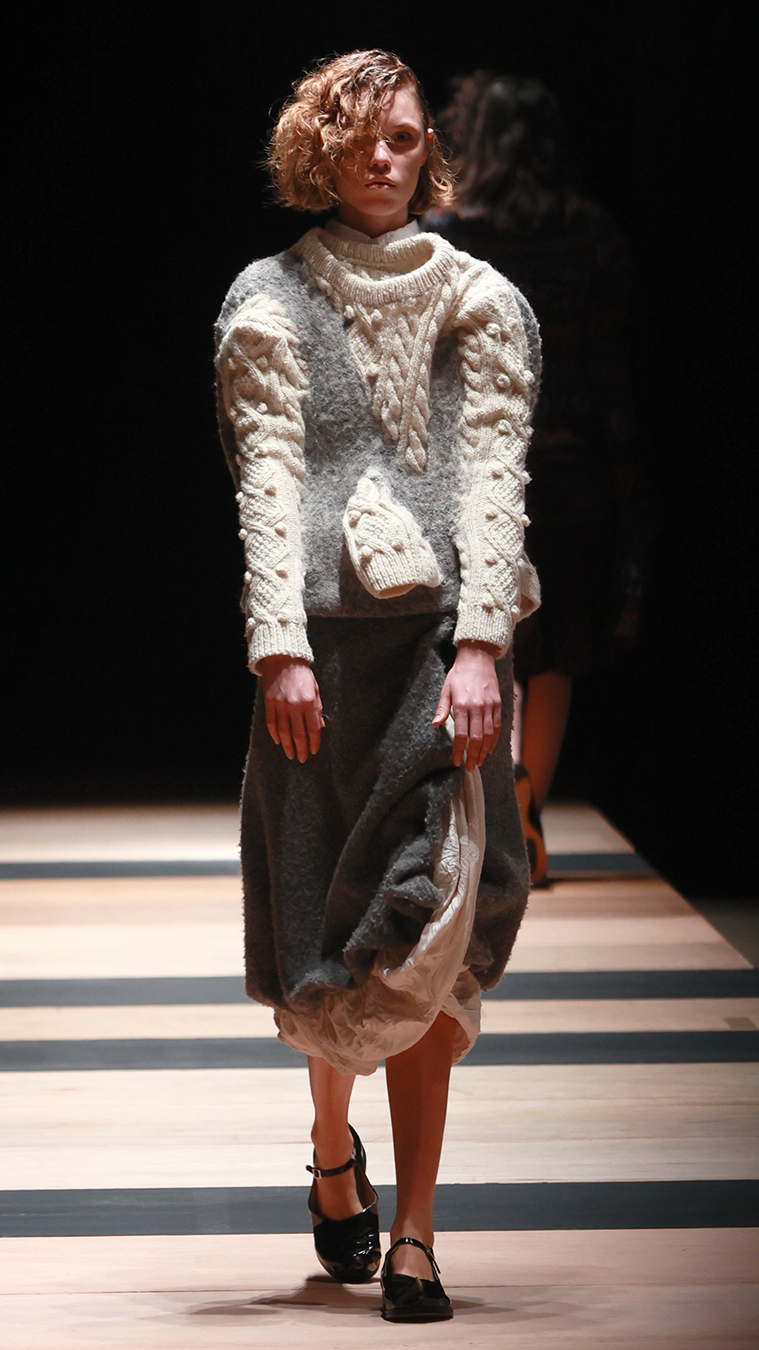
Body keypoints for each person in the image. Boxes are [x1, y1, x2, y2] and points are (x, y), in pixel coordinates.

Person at [214, 50, 541, 1323]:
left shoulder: (482, 301)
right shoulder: (267, 302)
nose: (384, 156)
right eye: (358, 136)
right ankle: (331, 1151)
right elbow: (269, 483)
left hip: (445, 658)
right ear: (317, 149)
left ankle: (417, 1232)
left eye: (404, 136)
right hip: (328, 662)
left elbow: (494, 477)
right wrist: (280, 648)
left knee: (432, 937)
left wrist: (482, 646)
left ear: (428, 149)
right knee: (333, 935)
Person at [424, 73, 640, 884]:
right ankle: (528, 811)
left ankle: (499, 812)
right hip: (573, 458)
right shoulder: (591, 234)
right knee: (558, 645)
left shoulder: (445, 238)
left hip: (477, 459)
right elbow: (610, 365)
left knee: (492, 626)